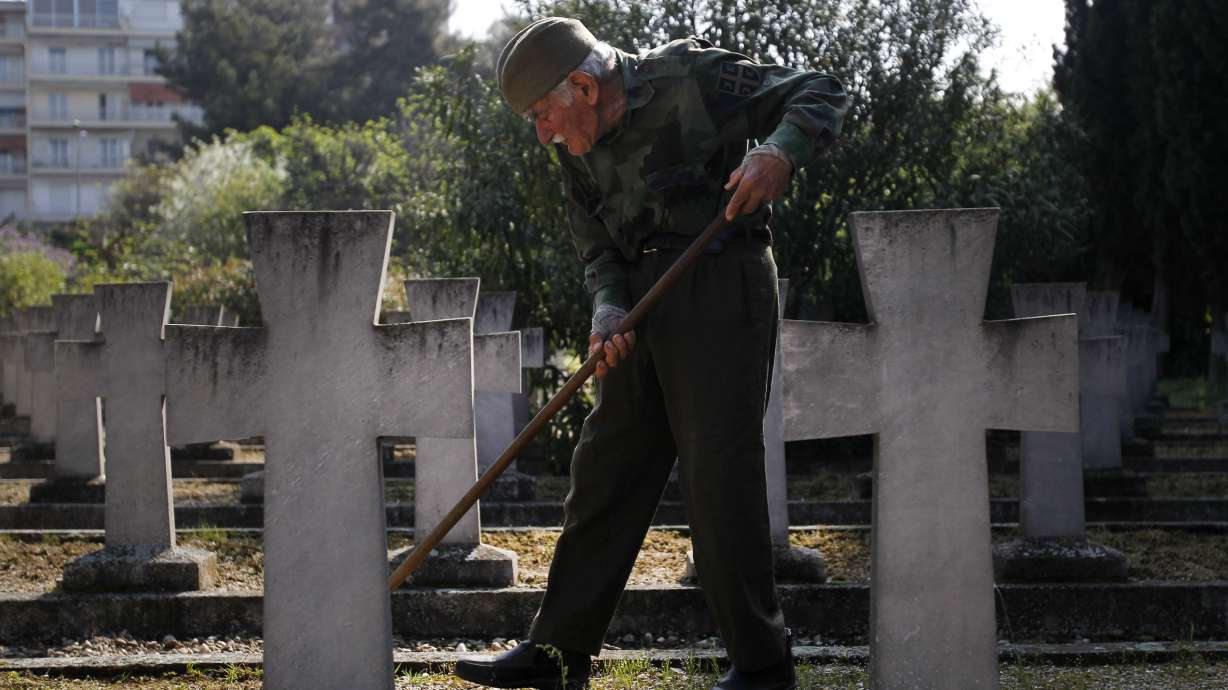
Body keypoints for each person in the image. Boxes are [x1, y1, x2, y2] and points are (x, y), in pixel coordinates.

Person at [455, 16, 847, 690]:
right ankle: (558, 653)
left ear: (582, 85)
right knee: (605, 464)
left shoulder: (688, 76)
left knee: (717, 475)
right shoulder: (571, 147)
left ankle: (762, 664)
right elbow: (596, 245)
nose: (542, 134)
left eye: (544, 114)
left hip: (720, 278)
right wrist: (608, 305)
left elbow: (820, 90)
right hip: (640, 301)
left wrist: (779, 151)